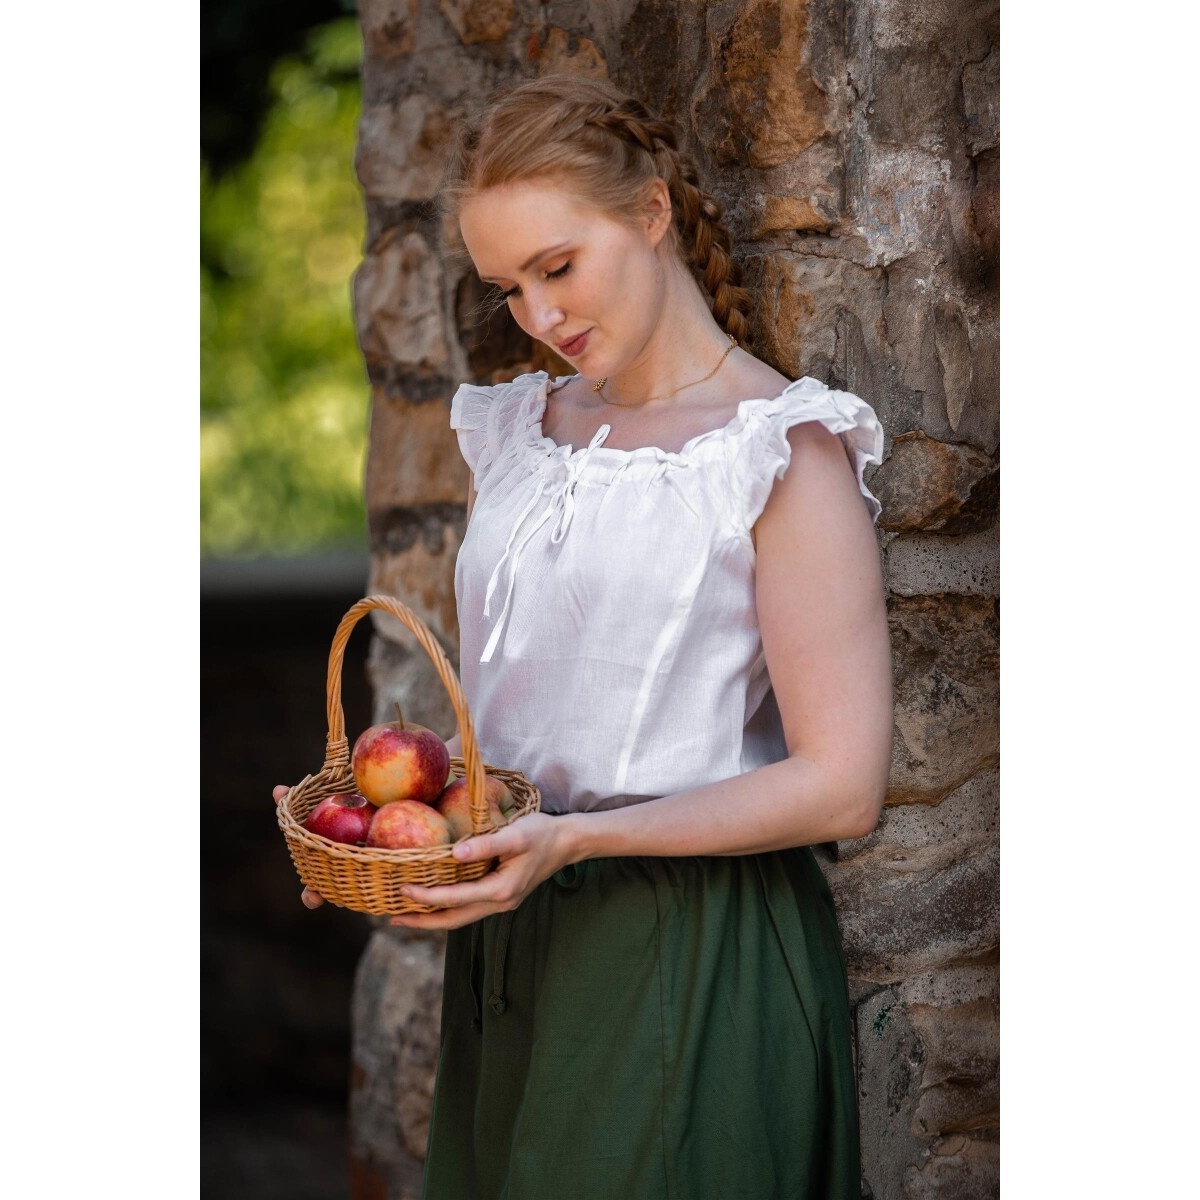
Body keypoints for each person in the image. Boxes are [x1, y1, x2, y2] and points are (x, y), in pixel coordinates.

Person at [278, 74, 893, 1199]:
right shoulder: (521, 430)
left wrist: (575, 842)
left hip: (688, 945)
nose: (541, 317)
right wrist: (394, 833)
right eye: (510, 289)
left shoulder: (780, 453)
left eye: (558, 267)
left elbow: (843, 787)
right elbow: (536, 703)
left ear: (651, 213)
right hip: (518, 939)